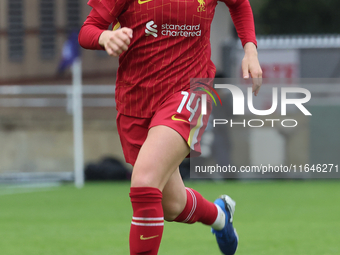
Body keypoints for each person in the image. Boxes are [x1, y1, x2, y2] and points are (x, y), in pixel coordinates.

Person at [79, 0, 262, 254]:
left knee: (144, 183)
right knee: (172, 205)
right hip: (136, 101)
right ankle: (221, 216)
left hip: (188, 91)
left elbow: (239, 4)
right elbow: (88, 30)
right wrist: (105, 37)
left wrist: (250, 49)